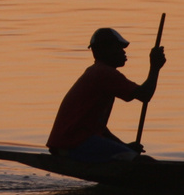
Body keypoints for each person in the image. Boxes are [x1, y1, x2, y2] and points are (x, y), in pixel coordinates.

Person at [46, 27, 166, 161]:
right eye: (118, 48)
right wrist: (155, 67)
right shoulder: (104, 73)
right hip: (74, 143)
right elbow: (145, 95)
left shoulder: (96, 72)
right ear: (104, 50)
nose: (123, 52)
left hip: (70, 142)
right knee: (143, 162)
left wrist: (123, 146)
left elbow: (98, 128)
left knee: (130, 155)